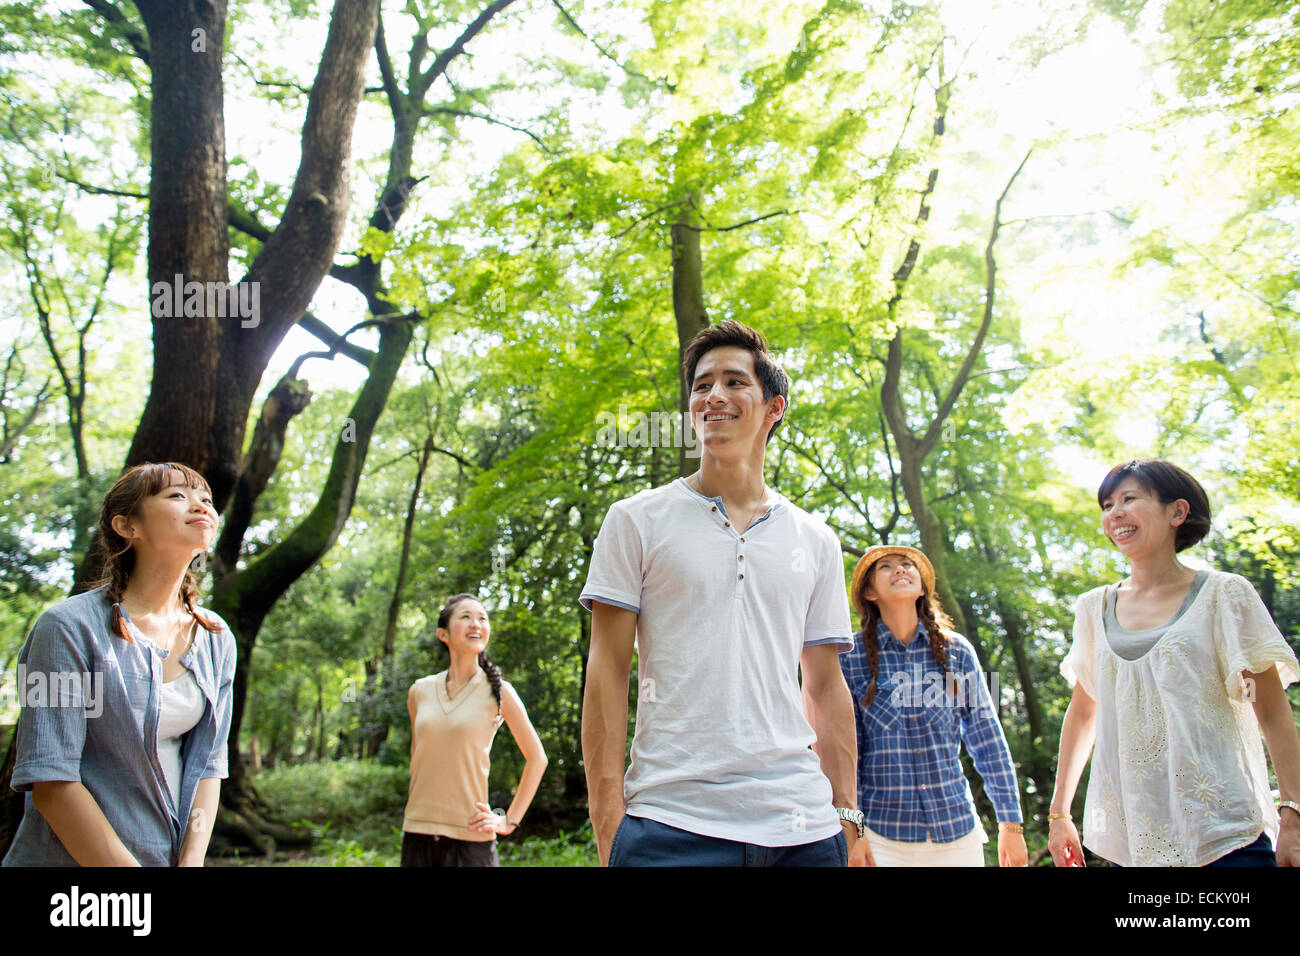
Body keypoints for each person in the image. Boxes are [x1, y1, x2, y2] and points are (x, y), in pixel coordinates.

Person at [580, 319, 869, 867]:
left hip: (804, 829)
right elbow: (606, 671)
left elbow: (826, 684)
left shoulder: (816, 539)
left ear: (774, 407)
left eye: (735, 382)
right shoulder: (636, 520)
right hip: (668, 824)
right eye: (701, 385)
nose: (714, 395)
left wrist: (848, 815)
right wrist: (608, 821)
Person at [1049, 459, 1300, 867]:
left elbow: (1270, 709)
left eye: (1129, 499)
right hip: (1133, 842)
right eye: (1108, 504)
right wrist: (1060, 813)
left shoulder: (1225, 595)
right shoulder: (1092, 608)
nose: (1115, 513)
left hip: (1226, 834)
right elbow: (1082, 713)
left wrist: (1293, 813)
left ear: (1177, 512)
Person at [4, 462, 236, 867]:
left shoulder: (216, 638)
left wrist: (191, 862)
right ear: (128, 527)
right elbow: (52, 783)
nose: (200, 505)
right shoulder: (66, 629)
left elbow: (208, 766)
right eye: (177, 495)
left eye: (206, 499)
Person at [841, 546, 1027, 866]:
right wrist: (853, 833)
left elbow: (988, 740)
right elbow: (846, 753)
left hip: (957, 833)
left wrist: (1011, 824)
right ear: (870, 592)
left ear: (923, 586)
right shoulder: (851, 656)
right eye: (886, 566)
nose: (900, 570)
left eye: (907, 565)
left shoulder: (958, 652)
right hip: (882, 837)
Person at [402, 593, 547, 867]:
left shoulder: (500, 692)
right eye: (465, 617)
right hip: (417, 832)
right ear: (443, 634)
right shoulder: (419, 691)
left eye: (483, 618)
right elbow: (418, 757)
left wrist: (509, 820)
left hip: (471, 838)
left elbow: (537, 758)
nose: (476, 624)